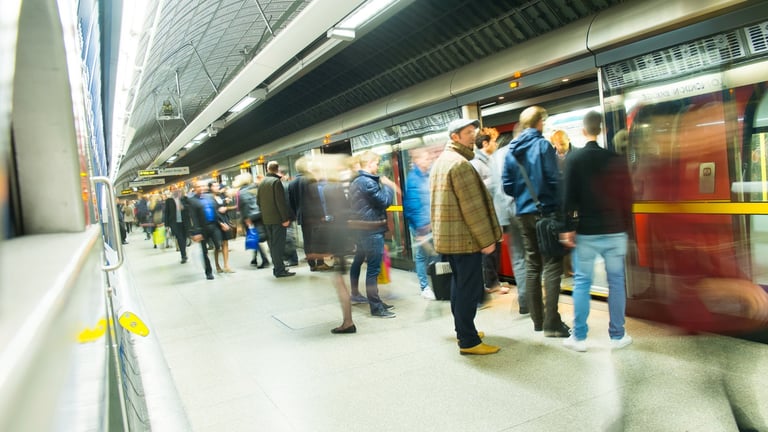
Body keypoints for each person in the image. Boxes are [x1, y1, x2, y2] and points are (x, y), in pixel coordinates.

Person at [560, 111, 633, 352]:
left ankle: (579, 338)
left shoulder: (575, 159)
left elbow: (568, 197)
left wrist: (567, 228)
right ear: (601, 130)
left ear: (583, 131)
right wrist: (625, 227)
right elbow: (627, 197)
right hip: (615, 230)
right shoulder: (616, 158)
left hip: (587, 233)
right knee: (616, 282)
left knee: (582, 282)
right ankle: (617, 335)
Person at [431, 118, 502, 355]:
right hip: (465, 239)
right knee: (468, 289)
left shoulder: (443, 161)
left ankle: (463, 329)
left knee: (458, 286)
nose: (474, 135)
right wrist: (487, 241)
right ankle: (468, 340)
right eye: (469, 132)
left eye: (474, 131)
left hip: (452, 238)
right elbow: (472, 209)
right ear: (455, 137)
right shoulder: (460, 164)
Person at [502, 106, 570, 337]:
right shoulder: (542, 145)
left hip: (523, 213)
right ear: (540, 122)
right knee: (552, 265)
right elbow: (554, 179)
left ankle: (537, 320)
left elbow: (507, 186)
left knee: (532, 264)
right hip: (546, 213)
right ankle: (552, 323)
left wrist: (524, 197)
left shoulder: (511, 150)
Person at [348, 150, 397, 318]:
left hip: (363, 230)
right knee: (373, 269)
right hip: (371, 230)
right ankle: (376, 307)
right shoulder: (367, 182)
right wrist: (390, 187)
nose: (377, 166)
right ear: (369, 164)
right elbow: (385, 202)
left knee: (370, 267)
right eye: (376, 163)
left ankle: (376, 301)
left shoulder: (357, 181)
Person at [490, 134, 528, 312]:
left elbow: (495, 188)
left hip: (508, 214)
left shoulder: (495, 157)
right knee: (531, 256)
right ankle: (530, 300)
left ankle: (525, 301)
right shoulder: (520, 152)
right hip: (524, 212)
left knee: (519, 257)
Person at [470, 127, 503, 295]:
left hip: (495, 211)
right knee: (489, 250)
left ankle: (493, 281)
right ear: (485, 143)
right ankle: (490, 283)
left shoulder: (490, 161)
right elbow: (476, 190)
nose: (496, 144)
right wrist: (495, 181)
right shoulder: (476, 163)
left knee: (496, 248)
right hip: (485, 215)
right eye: (494, 140)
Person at [403, 147, 438, 300]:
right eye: (425, 158)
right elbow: (412, 204)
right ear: (417, 160)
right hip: (421, 226)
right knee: (422, 256)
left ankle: (438, 282)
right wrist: (420, 228)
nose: (428, 160)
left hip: (433, 223)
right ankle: (424, 287)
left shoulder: (429, 175)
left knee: (436, 254)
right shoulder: (413, 179)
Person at [257, 161, 295, 278]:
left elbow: (258, 201)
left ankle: (277, 267)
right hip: (278, 219)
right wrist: (285, 218)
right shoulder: (276, 182)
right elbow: (280, 203)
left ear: (267, 169)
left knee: (272, 245)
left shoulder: (262, 182)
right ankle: (279, 270)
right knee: (278, 245)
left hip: (267, 220)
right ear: (277, 169)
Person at [234, 173, 270, 268]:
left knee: (255, 238)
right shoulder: (256, 188)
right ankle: (255, 258)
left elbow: (245, 205)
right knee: (262, 236)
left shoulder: (242, 192)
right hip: (261, 214)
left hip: (251, 217)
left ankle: (265, 260)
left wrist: (246, 218)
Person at [186, 181, 219, 280]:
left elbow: (215, 211)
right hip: (202, 228)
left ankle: (218, 265)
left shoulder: (209, 197)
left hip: (213, 226)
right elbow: (193, 217)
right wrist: (196, 232)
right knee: (204, 251)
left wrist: (221, 223)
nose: (201, 188)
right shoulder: (191, 201)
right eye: (198, 186)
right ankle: (208, 271)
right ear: (194, 188)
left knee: (218, 245)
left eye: (202, 186)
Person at [210, 182, 235, 273]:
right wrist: (220, 223)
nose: (217, 187)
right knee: (217, 245)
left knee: (225, 243)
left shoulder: (221, 197)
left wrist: (226, 205)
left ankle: (226, 265)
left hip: (224, 221)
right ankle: (217, 265)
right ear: (210, 188)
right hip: (216, 223)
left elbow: (223, 208)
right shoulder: (210, 198)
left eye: (217, 186)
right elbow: (213, 212)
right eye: (215, 186)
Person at [164, 185, 189, 264]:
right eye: (173, 189)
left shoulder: (184, 198)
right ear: (171, 191)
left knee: (184, 237)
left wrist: (183, 207)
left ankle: (184, 251)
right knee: (180, 238)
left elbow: (189, 208)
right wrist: (167, 225)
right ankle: (183, 255)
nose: (175, 190)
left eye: (176, 188)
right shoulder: (169, 201)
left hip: (184, 221)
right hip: (175, 223)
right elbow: (167, 213)